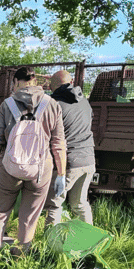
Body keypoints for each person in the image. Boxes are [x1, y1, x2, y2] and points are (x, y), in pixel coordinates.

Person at [0, 67, 67, 255]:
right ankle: (21, 255)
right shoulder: (52, 104)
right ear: (35, 82)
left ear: (16, 82)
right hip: (40, 169)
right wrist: (61, 174)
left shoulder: (7, 105)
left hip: (9, 167)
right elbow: (58, 143)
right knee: (30, 216)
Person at [44, 69, 97, 226]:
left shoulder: (55, 105)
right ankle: (90, 242)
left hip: (69, 163)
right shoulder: (84, 101)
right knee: (79, 204)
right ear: (71, 82)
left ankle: (49, 244)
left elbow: (48, 134)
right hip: (88, 160)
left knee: (54, 204)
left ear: (52, 86)